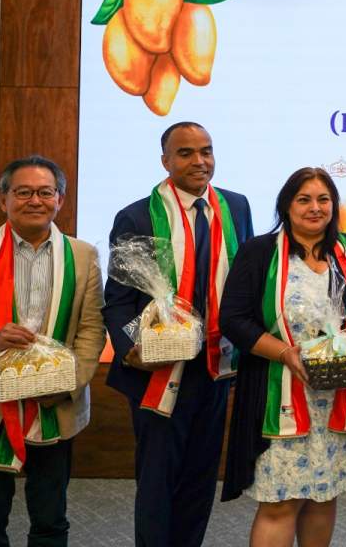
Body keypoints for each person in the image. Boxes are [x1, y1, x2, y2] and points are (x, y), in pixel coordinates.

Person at [102, 122, 254, 547]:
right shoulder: (136, 216)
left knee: (199, 480)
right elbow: (118, 300)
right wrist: (132, 350)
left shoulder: (236, 206)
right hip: (157, 368)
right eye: (185, 153)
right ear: (165, 161)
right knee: (157, 482)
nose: (199, 161)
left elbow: (243, 284)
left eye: (206, 151)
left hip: (214, 368)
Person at [219, 167, 346, 547]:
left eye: (323, 199)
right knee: (280, 503)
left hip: (337, 397)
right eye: (304, 199)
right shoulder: (260, 252)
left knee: (323, 496)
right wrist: (285, 353)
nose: (315, 208)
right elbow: (233, 319)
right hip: (279, 397)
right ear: (286, 206)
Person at [0, 156, 106, 547]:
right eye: (23, 192)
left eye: (45, 192)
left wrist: (67, 384)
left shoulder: (83, 255)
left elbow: (92, 329)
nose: (35, 201)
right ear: (3, 199)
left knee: (51, 518)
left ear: (60, 200)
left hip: (55, 404)